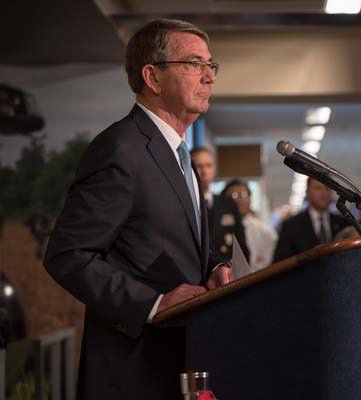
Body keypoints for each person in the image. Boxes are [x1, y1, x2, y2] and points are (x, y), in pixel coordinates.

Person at [44, 19, 231, 400]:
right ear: (153, 76)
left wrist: (213, 268)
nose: (208, 77)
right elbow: (68, 255)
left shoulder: (183, 157)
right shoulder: (120, 149)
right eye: (194, 64)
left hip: (177, 362)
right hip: (132, 372)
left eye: (211, 66)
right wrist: (154, 303)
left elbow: (171, 242)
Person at [190, 146, 250, 261]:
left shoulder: (228, 204)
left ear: (214, 169)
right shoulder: (186, 204)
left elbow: (241, 245)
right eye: (199, 166)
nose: (204, 171)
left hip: (226, 269)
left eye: (208, 165)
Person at [273, 178, 348, 262]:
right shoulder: (291, 225)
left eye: (327, 188)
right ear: (307, 192)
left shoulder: (343, 223)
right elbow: (280, 262)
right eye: (318, 188)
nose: (323, 193)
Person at [222, 179, 277, 271]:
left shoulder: (264, 231)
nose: (239, 200)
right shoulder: (217, 228)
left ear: (250, 199)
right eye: (234, 195)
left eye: (243, 195)